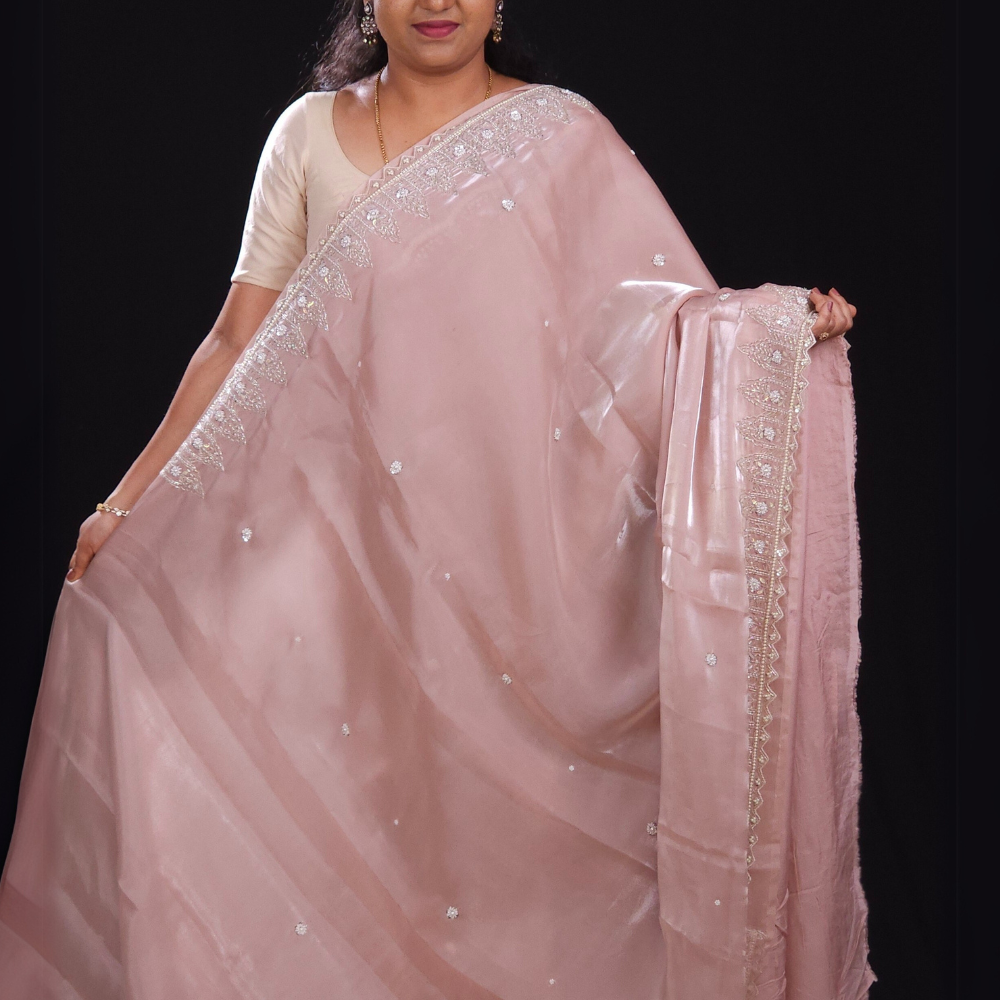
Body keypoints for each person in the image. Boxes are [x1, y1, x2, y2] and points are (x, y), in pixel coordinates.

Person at [0, 2, 872, 998]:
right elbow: (238, 339)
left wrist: (770, 331)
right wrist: (124, 502)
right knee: (190, 708)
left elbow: (655, 331)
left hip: (497, 566)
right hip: (324, 547)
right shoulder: (308, 134)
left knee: (472, 854)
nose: (437, 1)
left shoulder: (559, 136)